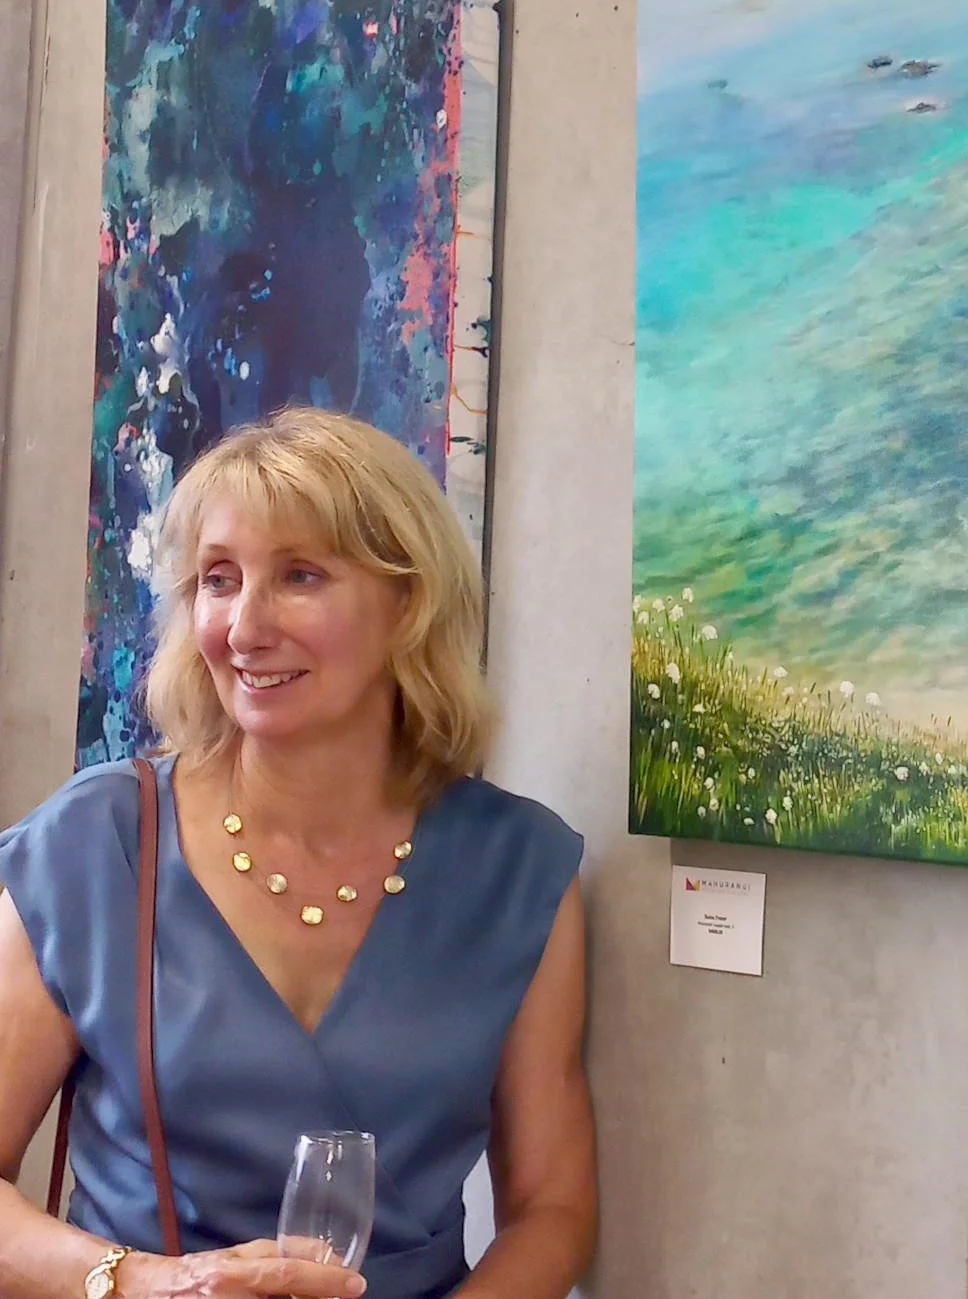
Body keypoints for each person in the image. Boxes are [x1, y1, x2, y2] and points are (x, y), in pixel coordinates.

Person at [0, 409, 595, 1299]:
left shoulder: (516, 869)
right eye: (219, 579)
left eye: (300, 575)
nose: (243, 626)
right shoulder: (95, 845)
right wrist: (151, 1284)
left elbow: (553, 1206)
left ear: (409, 602)